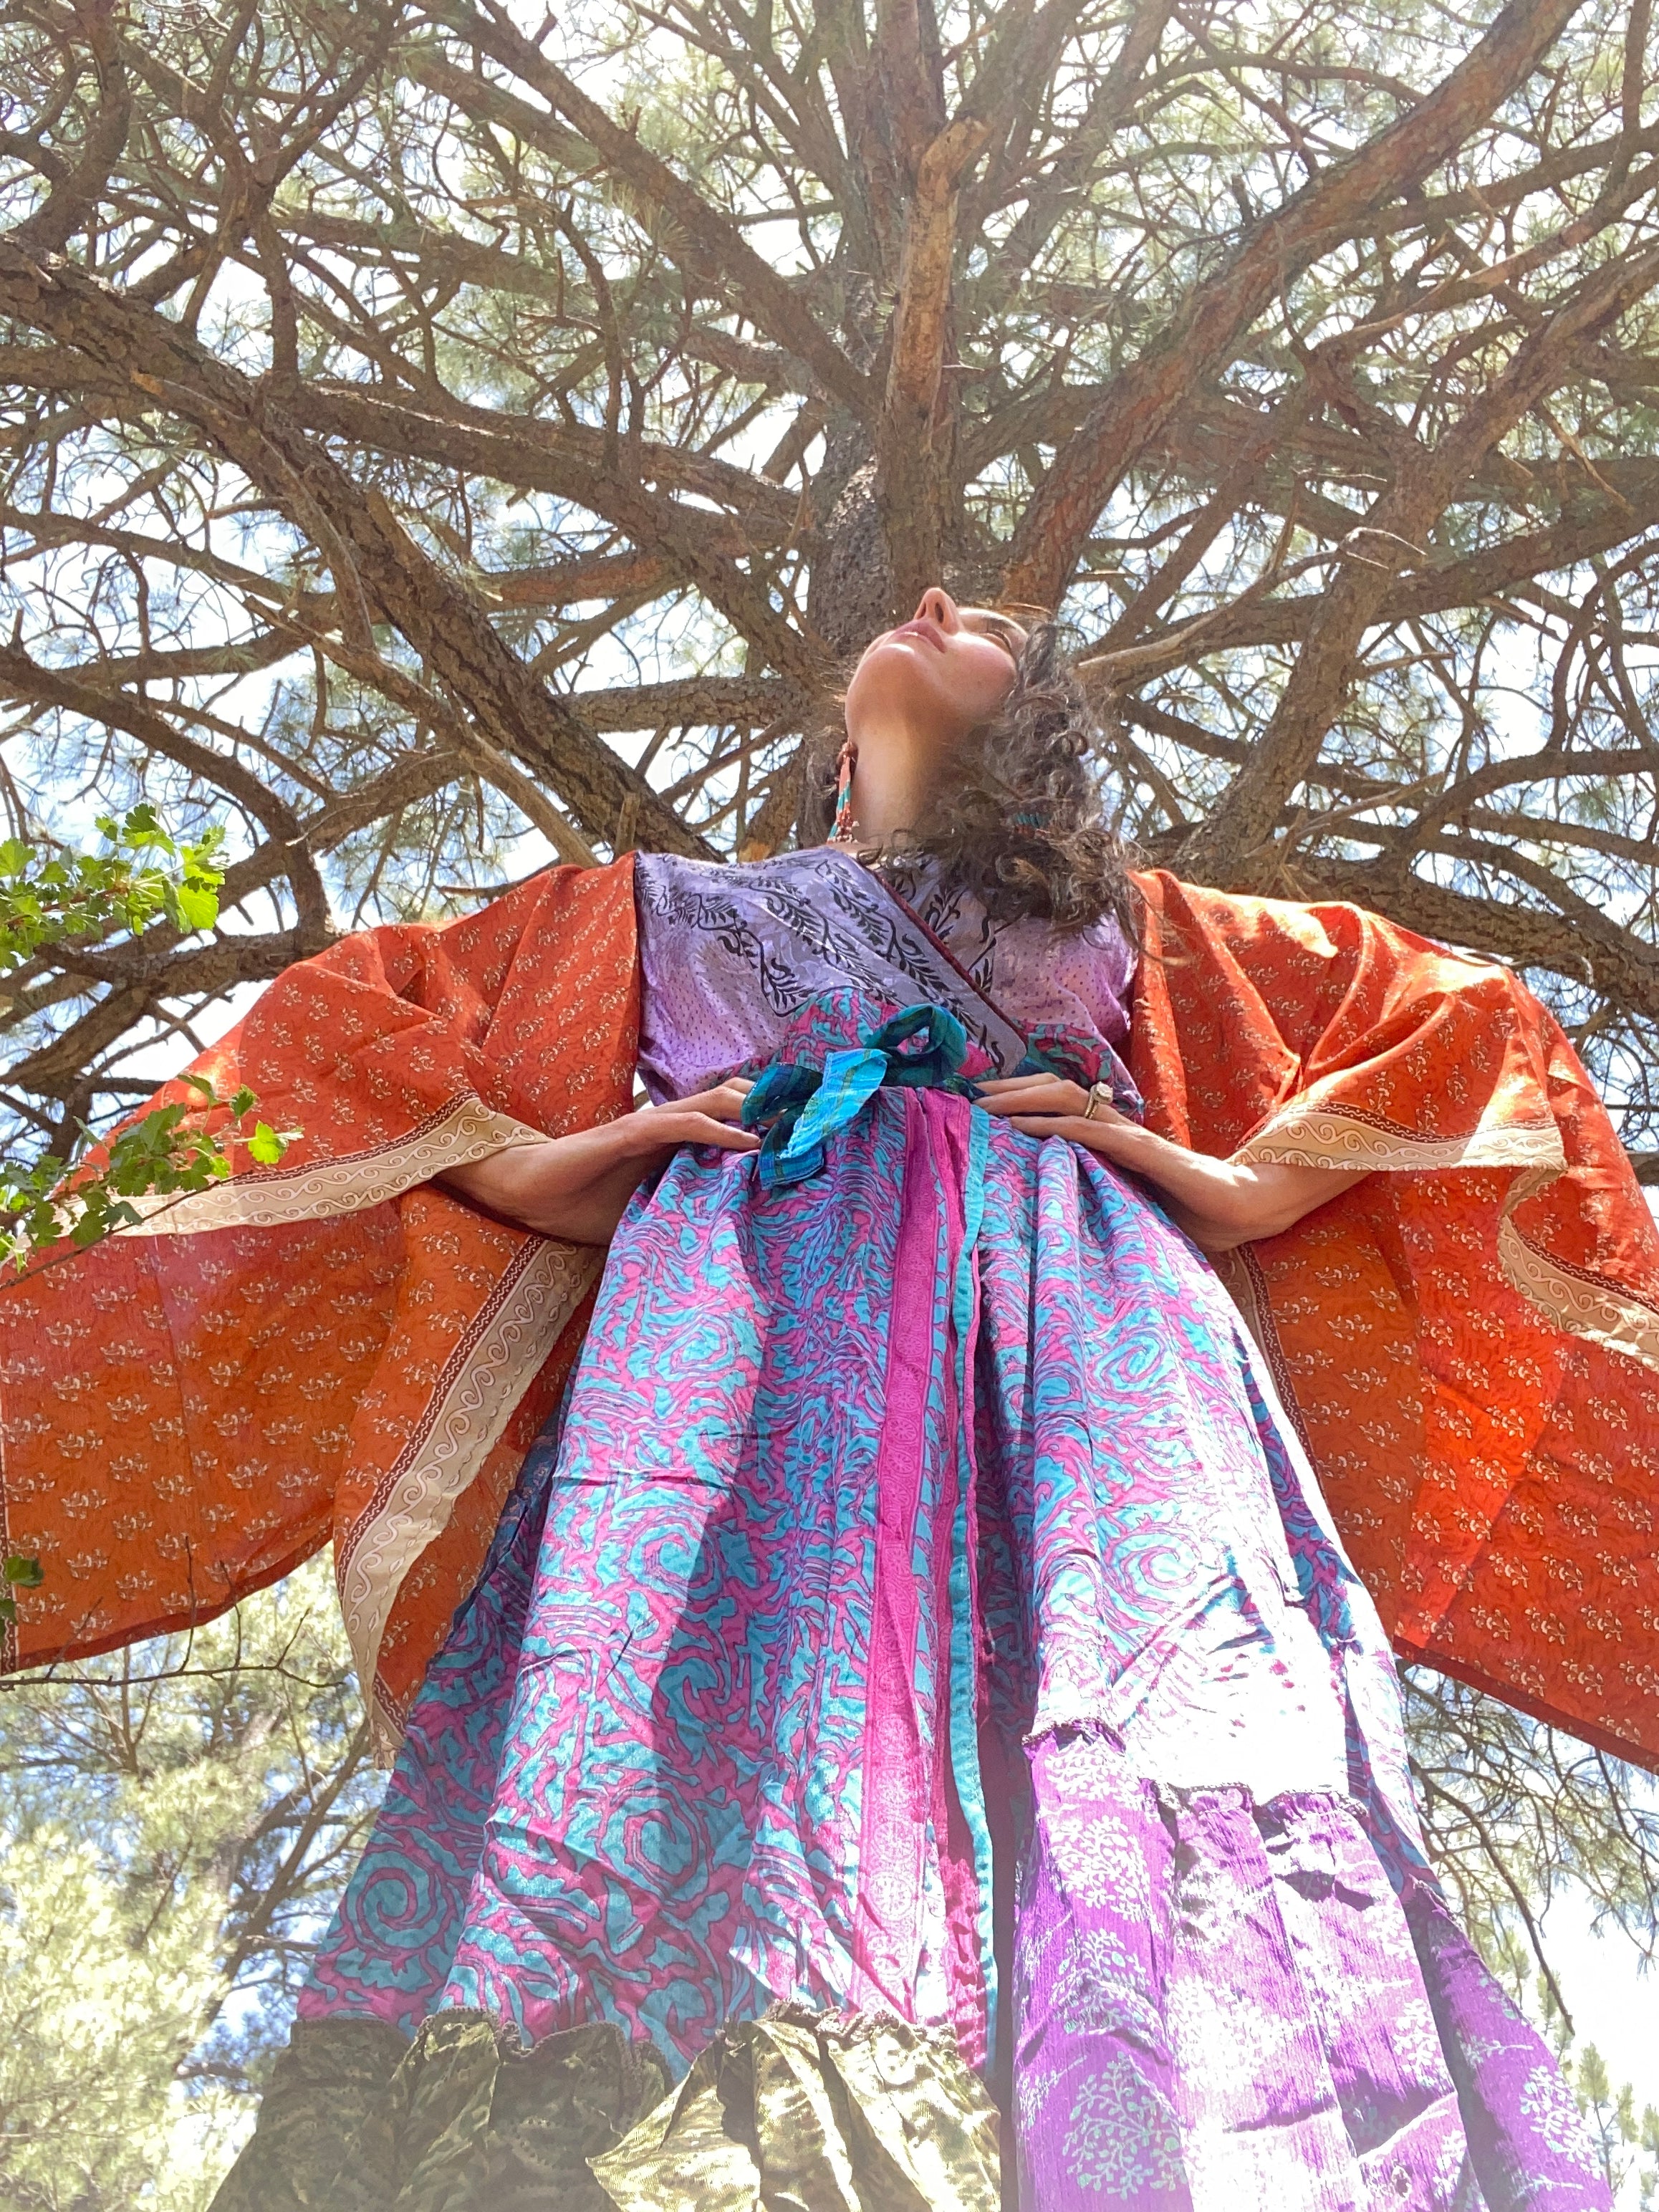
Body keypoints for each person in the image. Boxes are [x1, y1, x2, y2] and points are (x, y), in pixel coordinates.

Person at [4, 592, 1653, 2211]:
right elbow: (344, 1031)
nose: (936, 599)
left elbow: (1460, 1025)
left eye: (993, 615)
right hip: (742, 1350)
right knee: (711, 1709)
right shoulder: (653, 906)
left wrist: (1202, 1176)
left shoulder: (1148, 929)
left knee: (1154, 1720)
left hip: (1091, 1354)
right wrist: (564, 1156)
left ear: (1039, 724)